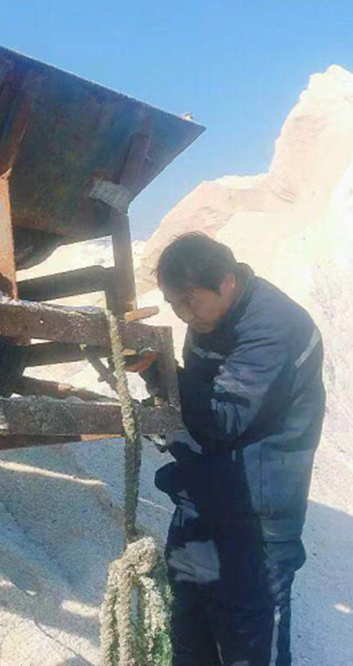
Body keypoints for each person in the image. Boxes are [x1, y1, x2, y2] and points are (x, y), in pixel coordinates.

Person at [137, 233, 325, 666]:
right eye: (174, 305)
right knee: (190, 634)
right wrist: (155, 378)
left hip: (257, 517)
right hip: (202, 499)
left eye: (189, 301)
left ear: (225, 281)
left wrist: (159, 370)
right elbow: (196, 402)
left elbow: (225, 416)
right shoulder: (208, 319)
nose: (184, 315)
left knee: (249, 645)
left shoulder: (274, 326)